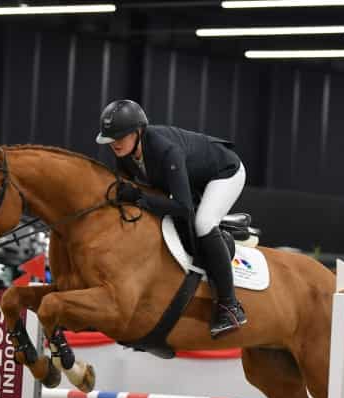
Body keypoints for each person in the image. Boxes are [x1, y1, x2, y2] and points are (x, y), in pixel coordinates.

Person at [96, 99, 247, 339]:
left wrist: (139, 197)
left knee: (203, 223)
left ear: (138, 132)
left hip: (224, 172)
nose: (114, 143)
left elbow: (182, 207)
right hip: (192, 177)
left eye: (120, 136)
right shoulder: (124, 153)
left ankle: (230, 306)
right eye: (111, 138)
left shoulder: (166, 150)